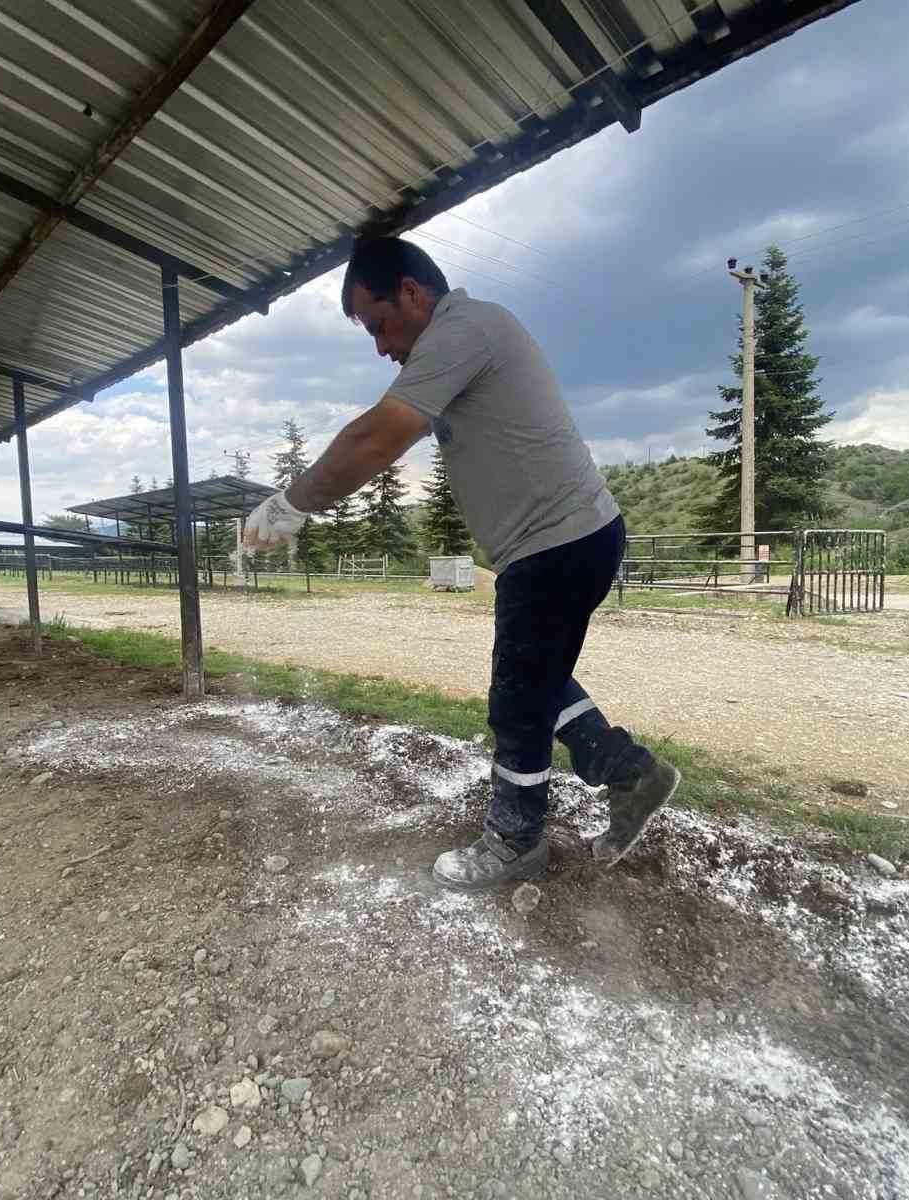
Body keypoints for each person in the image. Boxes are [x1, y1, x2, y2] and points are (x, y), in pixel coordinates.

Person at [242, 238, 679, 891]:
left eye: (380, 324)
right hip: (572, 538)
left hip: (554, 543)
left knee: (516, 703)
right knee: (538, 677)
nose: (382, 346)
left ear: (414, 292)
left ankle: (514, 841)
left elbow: (376, 437)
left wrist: (288, 505)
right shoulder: (469, 334)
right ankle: (630, 772)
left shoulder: (465, 328)